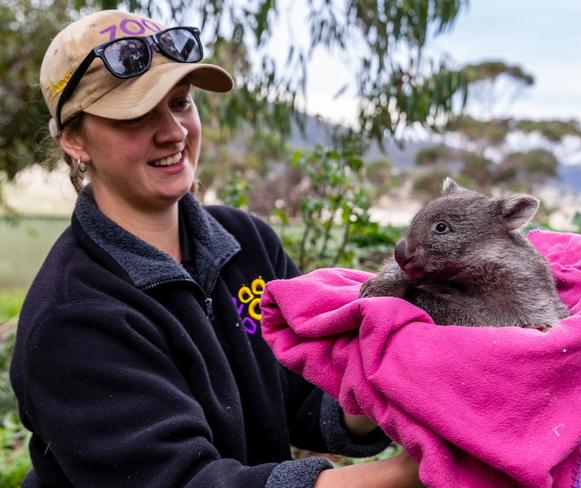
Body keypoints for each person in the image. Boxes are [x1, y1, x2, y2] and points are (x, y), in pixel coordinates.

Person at [9, 9, 423, 488]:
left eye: (181, 103)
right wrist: (408, 474)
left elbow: (308, 395)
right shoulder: (73, 317)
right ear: (74, 140)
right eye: (138, 115)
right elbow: (188, 481)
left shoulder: (248, 244)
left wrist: (404, 369)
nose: (174, 132)